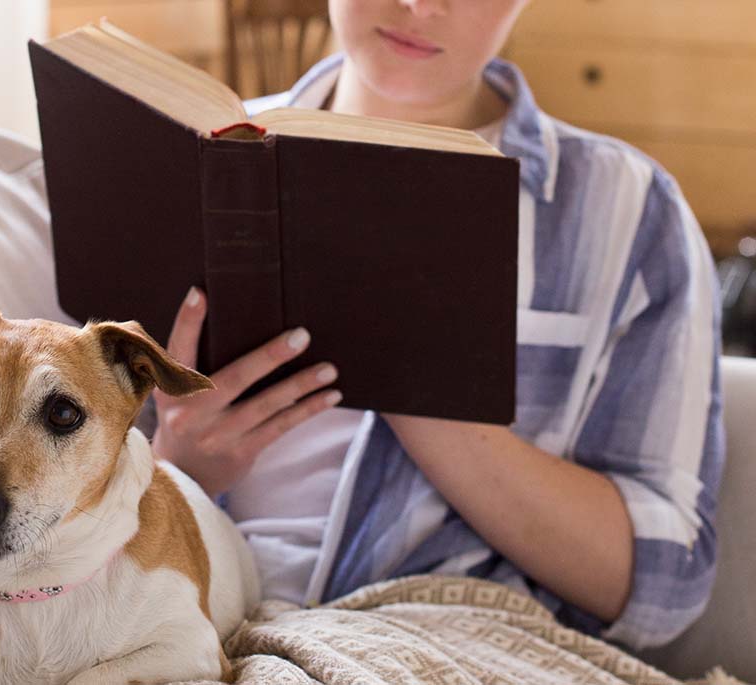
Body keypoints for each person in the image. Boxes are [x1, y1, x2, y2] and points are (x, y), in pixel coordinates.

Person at [138, 0, 725, 651]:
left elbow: (668, 581)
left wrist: (419, 390)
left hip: (463, 641)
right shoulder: (197, 155)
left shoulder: (628, 212)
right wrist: (173, 468)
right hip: (200, 626)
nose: (419, 4)